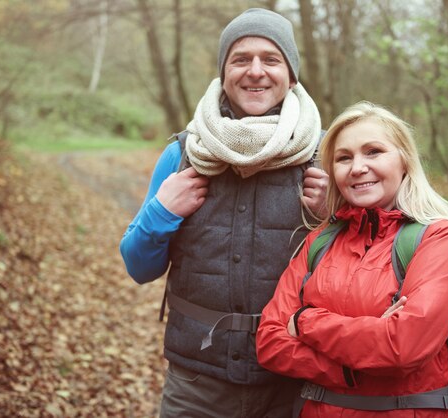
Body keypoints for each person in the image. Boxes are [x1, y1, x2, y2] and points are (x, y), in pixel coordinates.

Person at [120, 8, 328, 418]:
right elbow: (138, 267)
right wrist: (162, 211)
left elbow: (368, 269)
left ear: (292, 74)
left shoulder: (325, 156)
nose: (255, 71)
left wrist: (334, 219)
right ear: (223, 72)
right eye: (240, 59)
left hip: (296, 381)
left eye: (271, 59)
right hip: (197, 382)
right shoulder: (183, 153)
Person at [256, 101, 448, 417]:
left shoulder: (439, 238)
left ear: (404, 160)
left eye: (374, 152)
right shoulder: (320, 241)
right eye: (344, 158)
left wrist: (304, 320)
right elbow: (269, 343)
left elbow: (402, 347)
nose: (357, 167)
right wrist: (353, 367)